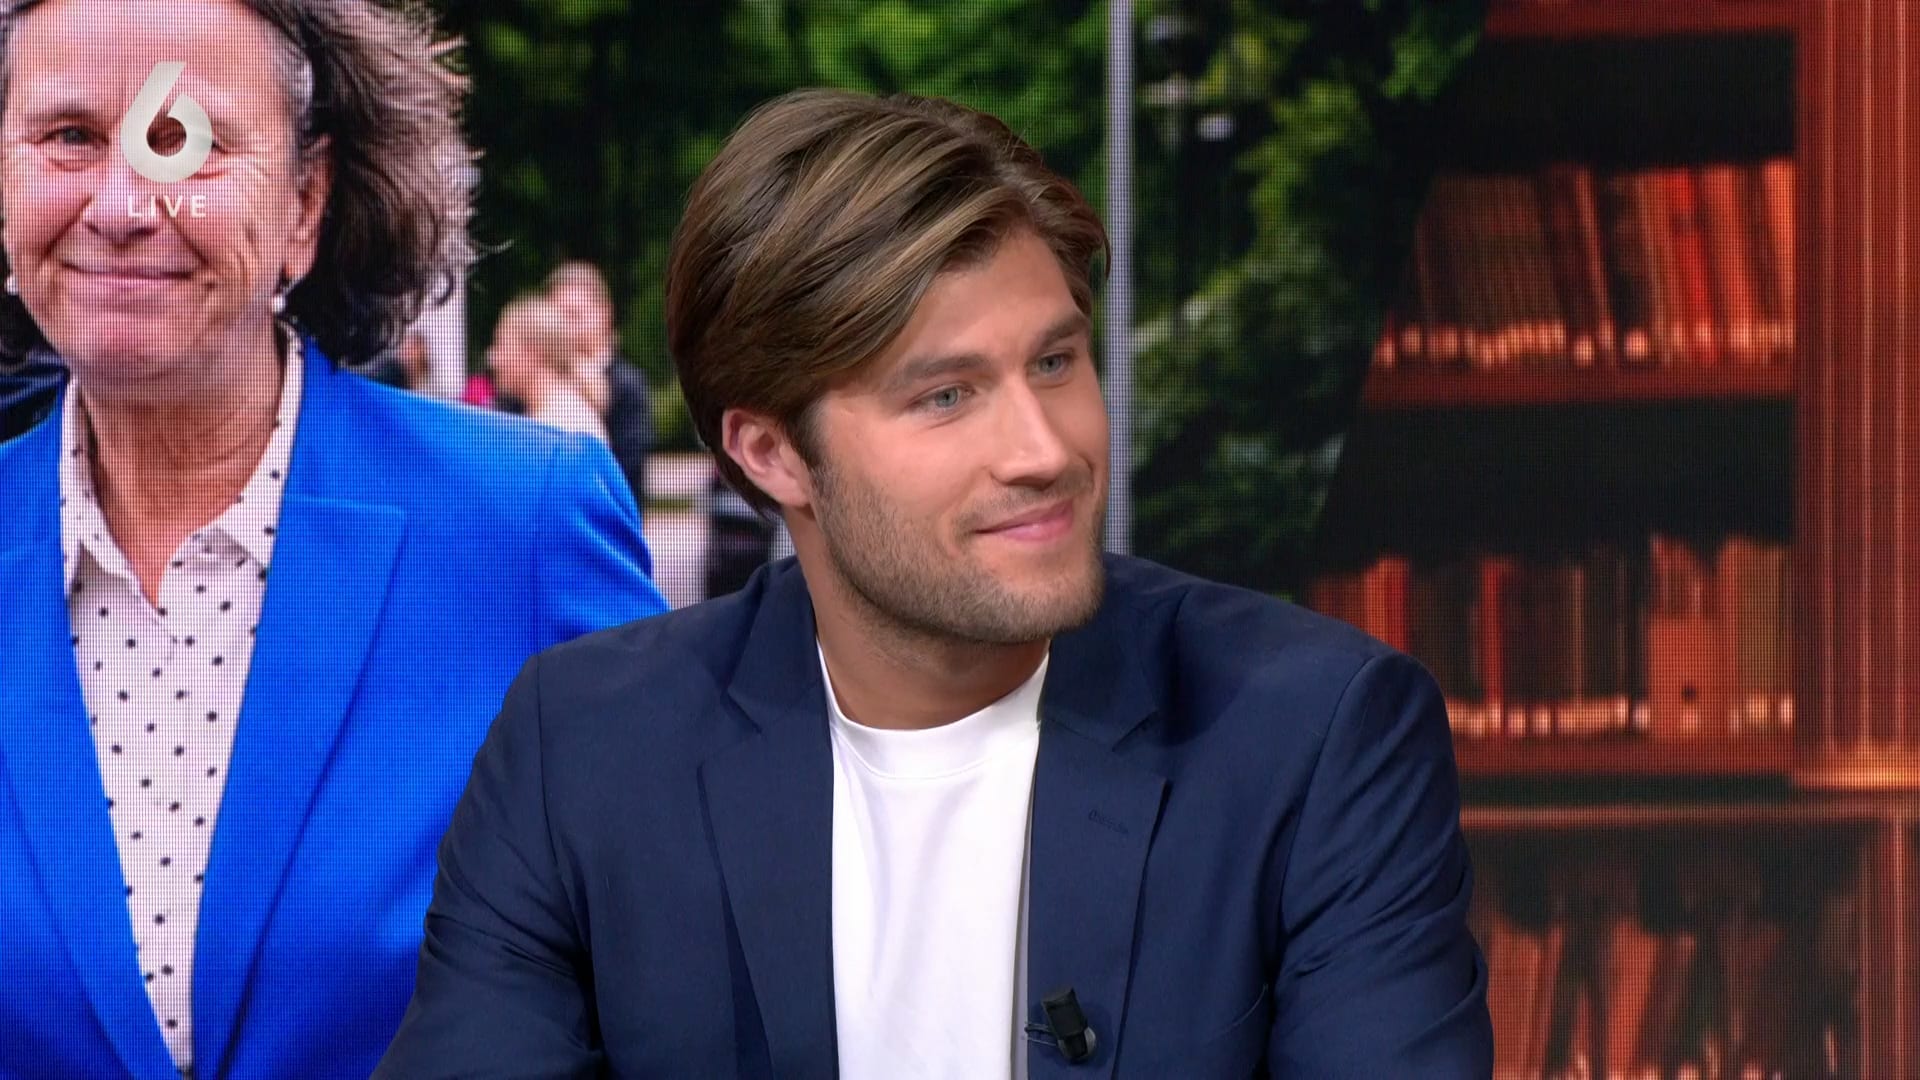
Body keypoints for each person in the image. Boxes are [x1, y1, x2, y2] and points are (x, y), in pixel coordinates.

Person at [379, 90, 1492, 1078]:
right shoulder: (582, 751)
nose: (1044, 450)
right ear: (773, 454)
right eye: (947, 396)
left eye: (1054, 362)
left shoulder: (1317, 737)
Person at [0, 2, 667, 1078]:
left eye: (185, 140)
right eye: (69, 136)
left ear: (305, 202)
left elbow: (675, 985)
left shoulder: (522, 527)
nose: (122, 205)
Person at [548, 260, 653, 505]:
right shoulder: (537, 384)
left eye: (574, 315)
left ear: (605, 313)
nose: (564, 328)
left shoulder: (628, 385)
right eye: (556, 318)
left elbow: (630, 466)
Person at [487, 292, 610, 442]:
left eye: (501, 346)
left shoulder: (558, 427)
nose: (493, 359)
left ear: (532, 352)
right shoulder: (554, 416)